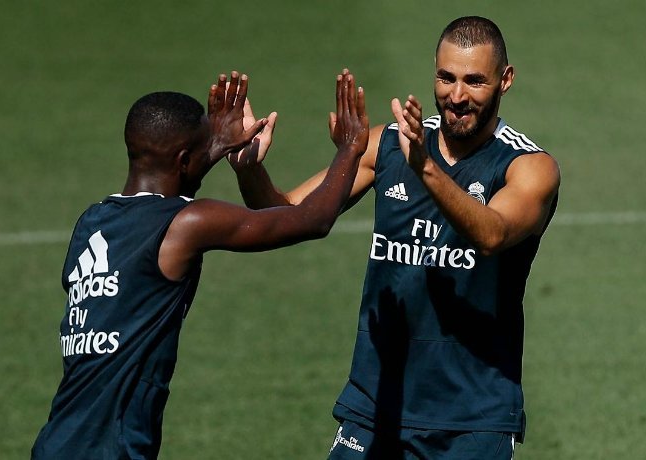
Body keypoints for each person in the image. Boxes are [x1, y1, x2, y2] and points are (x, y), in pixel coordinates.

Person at [230, 16, 560, 459]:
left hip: (471, 418)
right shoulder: (386, 145)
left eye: (474, 81)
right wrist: (249, 167)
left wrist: (426, 168)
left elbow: (492, 234)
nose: (456, 96)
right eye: (446, 78)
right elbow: (287, 215)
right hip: (374, 403)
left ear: (506, 80)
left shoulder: (528, 166)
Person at [31, 70, 369, 459]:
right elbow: (312, 220)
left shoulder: (92, 223)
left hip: (57, 442)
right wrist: (349, 149)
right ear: (183, 159)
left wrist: (217, 147)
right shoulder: (185, 224)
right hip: (110, 450)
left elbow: (176, 178)